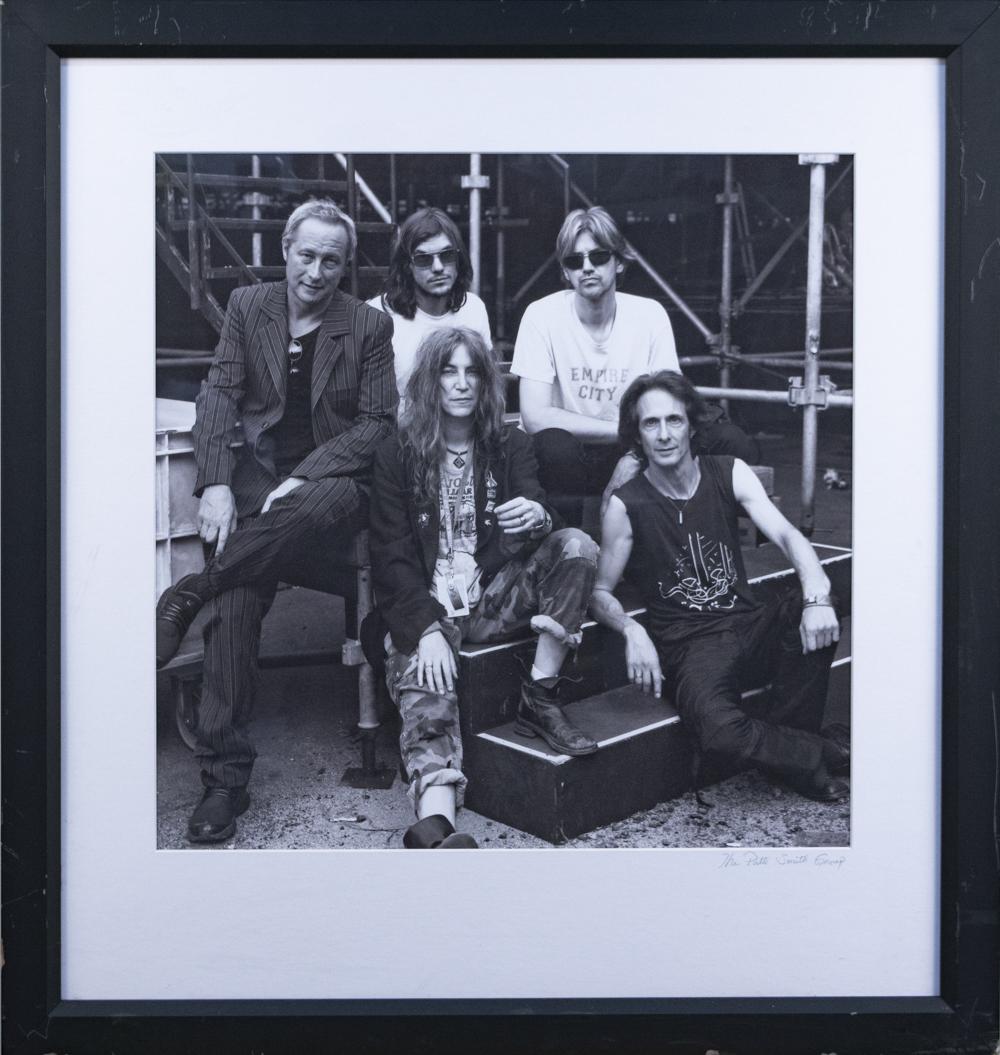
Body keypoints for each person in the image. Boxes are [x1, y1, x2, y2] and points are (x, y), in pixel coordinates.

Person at [154, 199, 397, 843]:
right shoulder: (247, 307)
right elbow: (219, 395)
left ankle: (187, 596)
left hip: (333, 487)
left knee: (302, 512)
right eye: (306, 255)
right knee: (238, 594)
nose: (316, 271)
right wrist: (213, 484)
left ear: (345, 266)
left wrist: (306, 473)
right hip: (258, 486)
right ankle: (224, 778)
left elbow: (376, 425)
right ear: (285, 249)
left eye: (331, 260)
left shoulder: (368, 326)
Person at [369, 327, 600, 849]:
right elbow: (390, 557)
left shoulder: (510, 444)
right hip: (431, 606)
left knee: (577, 546)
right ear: (429, 381)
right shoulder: (398, 455)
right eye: (448, 371)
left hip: (495, 593)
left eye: (473, 371)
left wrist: (539, 515)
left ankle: (540, 693)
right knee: (426, 683)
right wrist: (424, 628)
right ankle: (438, 823)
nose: (461, 383)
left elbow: (536, 516)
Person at [589, 370, 849, 802]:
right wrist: (632, 630)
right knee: (720, 734)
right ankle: (816, 753)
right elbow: (599, 592)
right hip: (690, 646)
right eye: (650, 424)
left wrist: (817, 594)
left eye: (674, 420)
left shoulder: (729, 472)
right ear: (637, 435)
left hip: (747, 624)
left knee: (818, 606)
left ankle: (794, 757)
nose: (665, 434)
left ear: (692, 424)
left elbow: (786, 536)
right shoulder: (626, 504)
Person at [511, 206, 759, 525]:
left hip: (637, 445)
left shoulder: (649, 314)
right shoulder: (541, 315)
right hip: (576, 454)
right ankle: (567, 549)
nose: (587, 268)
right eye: (575, 261)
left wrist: (633, 452)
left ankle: (695, 542)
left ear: (618, 261)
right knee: (555, 446)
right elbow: (535, 417)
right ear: (566, 272)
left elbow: (673, 402)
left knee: (731, 440)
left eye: (598, 257)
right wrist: (624, 433)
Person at [368, 206, 492, 404]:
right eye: (423, 259)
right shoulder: (377, 316)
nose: (438, 267)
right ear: (407, 266)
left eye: (447, 255)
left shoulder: (473, 309)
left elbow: (485, 387)